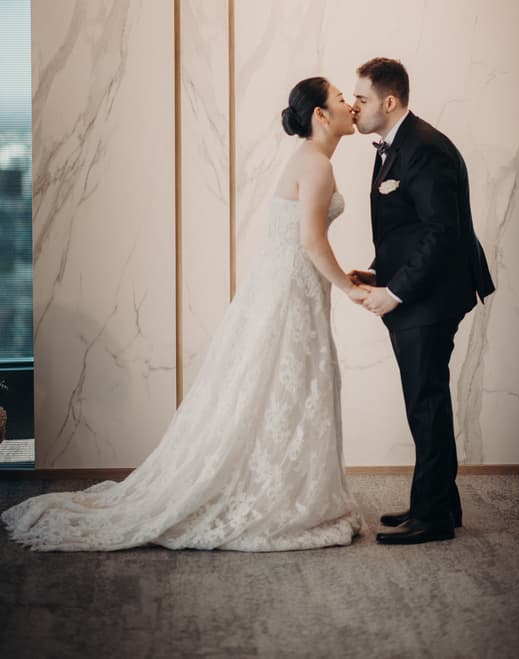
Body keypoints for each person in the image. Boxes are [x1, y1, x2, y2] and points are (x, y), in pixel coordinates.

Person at [2, 77, 364, 552]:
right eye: (340, 99)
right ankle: (279, 493)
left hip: (286, 286)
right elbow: (311, 241)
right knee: (287, 385)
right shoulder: (316, 165)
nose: (350, 106)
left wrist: (339, 277)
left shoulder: (310, 160)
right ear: (320, 115)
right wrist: (351, 287)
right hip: (291, 290)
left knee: (282, 388)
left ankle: (287, 483)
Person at [350, 58, 495, 545]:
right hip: (420, 287)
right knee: (426, 401)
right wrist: (379, 272)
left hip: (431, 296)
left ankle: (432, 517)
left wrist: (394, 292)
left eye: (362, 98)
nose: (354, 105)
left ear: (389, 102)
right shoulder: (395, 145)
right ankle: (440, 504)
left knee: (426, 404)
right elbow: (409, 229)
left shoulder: (425, 148)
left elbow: (441, 232)